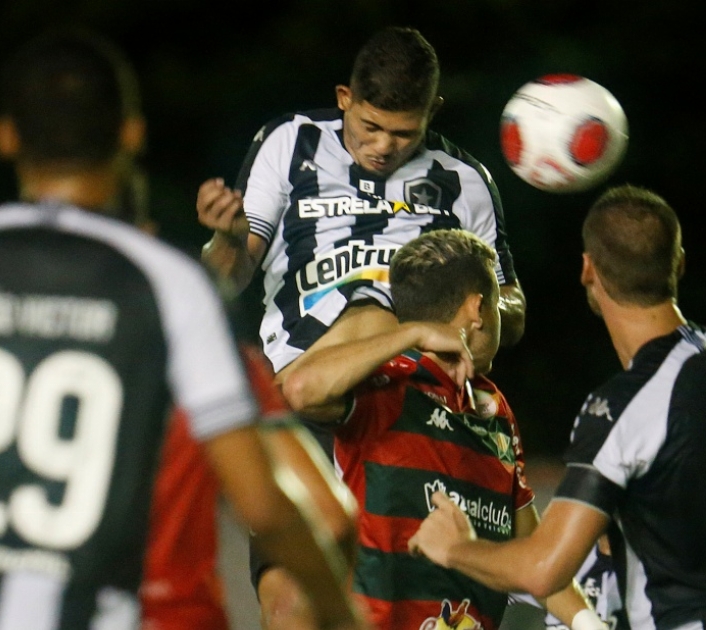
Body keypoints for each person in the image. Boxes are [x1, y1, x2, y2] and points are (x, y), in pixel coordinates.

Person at [0, 28, 364, 630]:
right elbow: (286, 508)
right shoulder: (170, 286)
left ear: (8, 135)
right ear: (131, 134)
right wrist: (342, 616)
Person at [408, 184, 706, 629]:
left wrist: (456, 547)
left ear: (588, 270)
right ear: (679, 262)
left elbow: (544, 568)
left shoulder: (623, 407)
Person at [195, 26, 526, 437]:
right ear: (344, 99)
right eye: (370, 126)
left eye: (404, 132)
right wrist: (227, 238)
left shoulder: (464, 179)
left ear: (432, 112)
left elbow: (509, 306)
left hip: (419, 401)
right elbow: (225, 282)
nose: (384, 146)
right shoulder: (291, 142)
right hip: (305, 388)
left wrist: (477, 309)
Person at [272, 229, 602, 630]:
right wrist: (409, 335)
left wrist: (592, 625)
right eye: (497, 305)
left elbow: (530, 555)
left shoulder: (494, 409)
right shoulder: (386, 383)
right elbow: (300, 388)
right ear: (478, 308)